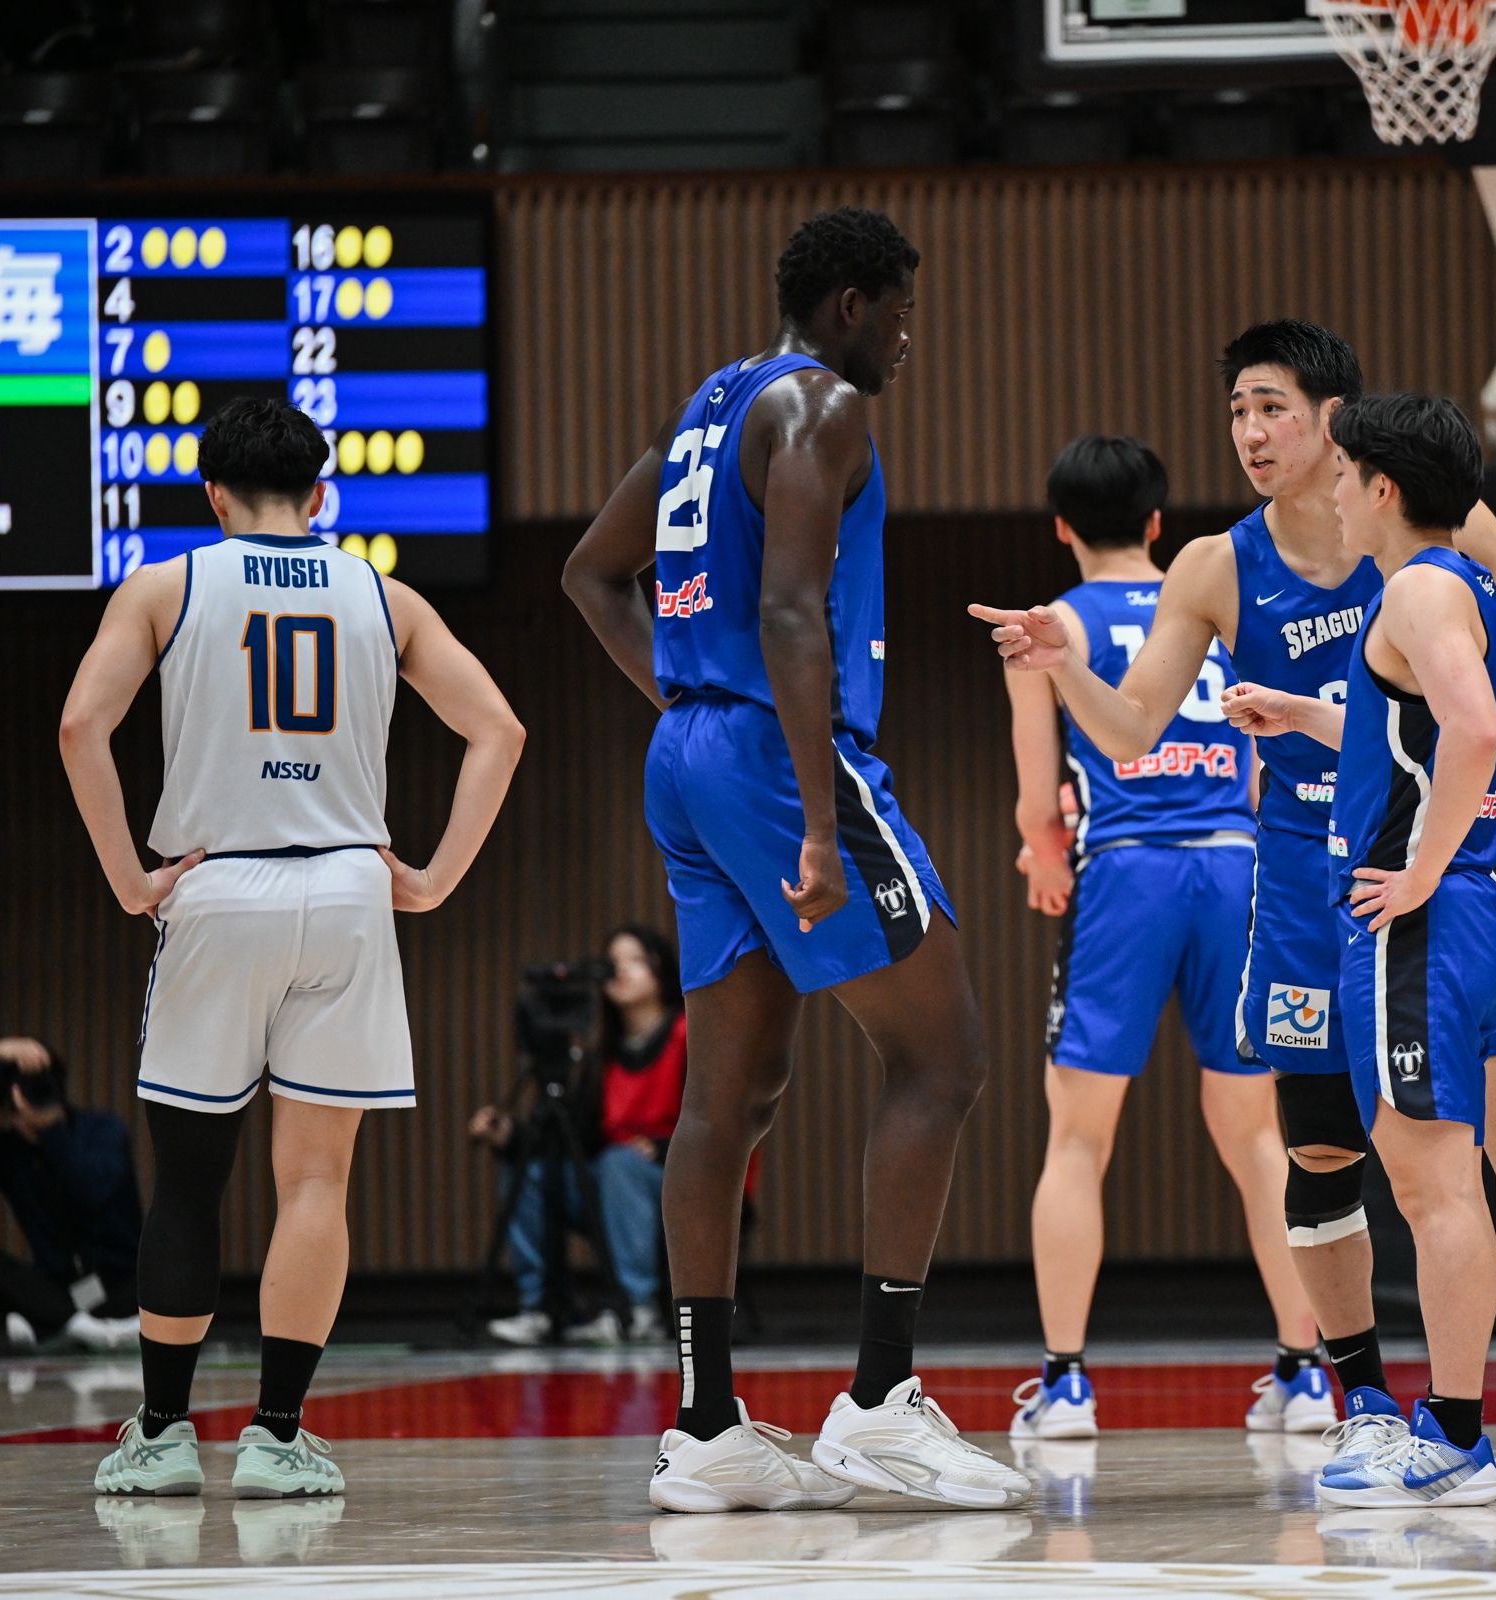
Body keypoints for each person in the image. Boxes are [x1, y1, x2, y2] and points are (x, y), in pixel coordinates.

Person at [974, 320, 1496, 1478]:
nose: (1249, 431)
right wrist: (1062, 663)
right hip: (1299, 891)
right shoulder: (1216, 565)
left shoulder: (1442, 533)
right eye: (1236, 410)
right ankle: (1360, 1398)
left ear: (1336, 421)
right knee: (1318, 1152)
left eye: (1270, 406)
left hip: (1415, 874)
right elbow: (1128, 733)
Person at [563, 205, 1027, 1513]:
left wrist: (685, 707)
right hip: (776, 755)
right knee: (944, 1055)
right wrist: (821, 821)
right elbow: (788, 607)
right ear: (847, 307)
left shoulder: (708, 412)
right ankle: (878, 1401)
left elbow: (591, 574)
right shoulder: (822, 405)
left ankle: (707, 1425)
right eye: (901, 311)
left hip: (690, 758)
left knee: (730, 1093)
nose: (908, 336)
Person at [61, 396, 524, 1499]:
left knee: (189, 1179)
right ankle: (276, 1438)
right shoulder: (384, 595)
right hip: (350, 892)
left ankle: (163, 1437)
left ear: (212, 496)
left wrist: (129, 880)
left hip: (217, 886)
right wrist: (434, 876)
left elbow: (82, 726)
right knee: (316, 1179)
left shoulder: (166, 586)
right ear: (321, 495)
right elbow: (498, 729)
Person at [1218, 391, 1496, 1509]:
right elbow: (1412, 728)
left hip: (1417, 922)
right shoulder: (1465, 583)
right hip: (1477, 915)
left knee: (1435, 1188)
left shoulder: (1411, 587)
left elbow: (1475, 728)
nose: (1332, 497)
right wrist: (1306, 715)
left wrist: (1415, 871)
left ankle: (1451, 1439)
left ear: (1384, 488)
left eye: (1344, 477)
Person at [999, 435, 1323, 1442]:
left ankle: (1065, 1385)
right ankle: (1307, 1372)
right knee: (1258, 1135)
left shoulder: (1053, 626)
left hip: (1127, 874)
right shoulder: (1214, 603)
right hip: (1234, 866)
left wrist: (1044, 853)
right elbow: (1263, 765)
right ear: (1155, 523)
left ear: (1061, 526)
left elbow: (1036, 789)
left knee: (1078, 1136)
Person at [472, 924, 688, 1346]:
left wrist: (662, 1149)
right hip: (613, 1190)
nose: (620, 970)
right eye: (613, 961)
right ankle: (542, 1307)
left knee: (620, 1163)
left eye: (636, 960)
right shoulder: (602, 1055)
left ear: (662, 970)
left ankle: (637, 1309)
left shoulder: (687, 1035)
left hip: (679, 1187)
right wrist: (513, 1137)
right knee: (530, 1172)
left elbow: (718, 1124)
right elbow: (577, 1139)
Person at [0, 1037, 143, 1352]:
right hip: (59, 1285)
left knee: (166, 1272)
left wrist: (51, 1131)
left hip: (123, 1279)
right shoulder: (11, 1154)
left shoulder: (105, 1132)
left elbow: (92, 1193)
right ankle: (89, 1331)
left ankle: (53, 1326)